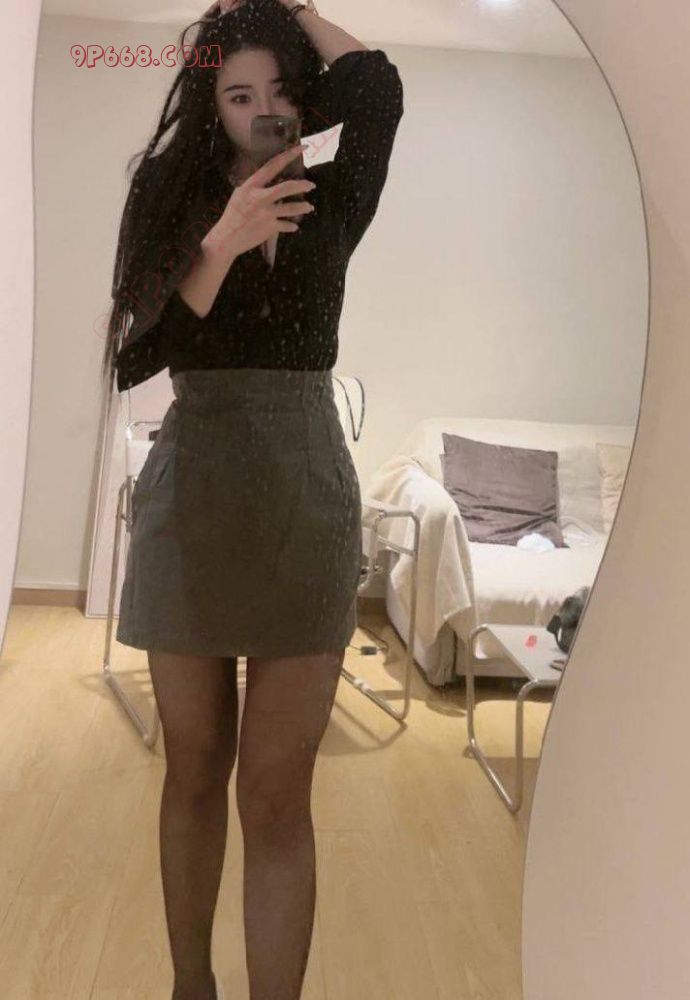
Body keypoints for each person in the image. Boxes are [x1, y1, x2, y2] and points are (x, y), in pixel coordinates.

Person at [103, 2, 403, 998]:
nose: (262, 110)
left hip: (303, 496)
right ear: (211, 102)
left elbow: (379, 85)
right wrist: (221, 242)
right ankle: (191, 987)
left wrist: (294, 9)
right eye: (238, 93)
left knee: (275, 793)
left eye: (281, 90)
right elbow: (133, 353)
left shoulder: (333, 192)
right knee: (193, 770)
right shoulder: (167, 191)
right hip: (192, 492)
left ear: (305, 100)